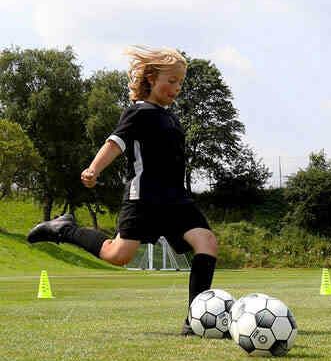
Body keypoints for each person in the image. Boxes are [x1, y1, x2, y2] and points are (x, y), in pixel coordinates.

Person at [27, 46, 219, 335]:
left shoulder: (171, 118)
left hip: (176, 199)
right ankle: (64, 229)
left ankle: (195, 320)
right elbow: (115, 142)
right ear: (151, 78)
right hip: (144, 198)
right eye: (171, 81)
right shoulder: (138, 113)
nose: (177, 88)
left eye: (180, 82)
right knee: (119, 255)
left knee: (207, 243)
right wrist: (94, 169)